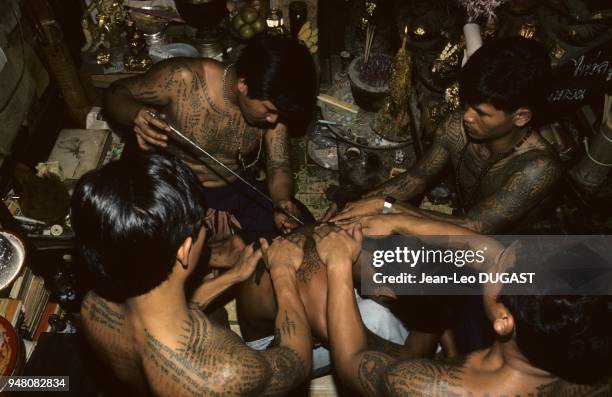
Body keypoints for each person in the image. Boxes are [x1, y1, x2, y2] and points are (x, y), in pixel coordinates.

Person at [72, 152, 312, 396]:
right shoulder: (224, 373)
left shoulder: (92, 308)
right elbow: (296, 363)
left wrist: (233, 276)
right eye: (202, 226)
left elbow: (163, 314)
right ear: (185, 249)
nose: (205, 231)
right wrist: (283, 272)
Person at [316, 216, 612, 397]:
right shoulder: (587, 343)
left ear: (504, 320)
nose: (491, 256)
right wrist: (400, 220)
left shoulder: (428, 387)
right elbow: (484, 250)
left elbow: (353, 363)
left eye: (499, 266)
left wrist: (338, 264)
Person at [327, 37, 562, 234]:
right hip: (459, 222)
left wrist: (386, 207)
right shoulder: (456, 126)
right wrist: (354, 207)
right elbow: (417, 179)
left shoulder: (537, 168)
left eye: (481, 113)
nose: (467, 116)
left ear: (520, 117)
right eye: (467, 103)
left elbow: (472, 228)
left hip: (499, 255)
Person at [103, 36, 317, 242]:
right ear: (244, 84)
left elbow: (278, 165)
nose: (274, 120)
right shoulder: (183, 79)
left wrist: (281, 202)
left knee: (304, 236)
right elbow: (115, 93)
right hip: (177, 189)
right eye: (269, 110)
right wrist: (135, 113)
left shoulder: (273, 111)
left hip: (236, 189)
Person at [235, 224, 443, 377]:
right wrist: (435, 325)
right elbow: (409, 359)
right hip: (272, 348)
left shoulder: (347, 235)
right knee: (381, 318)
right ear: (384, 293)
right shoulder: (319, 298)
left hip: (311, 298)